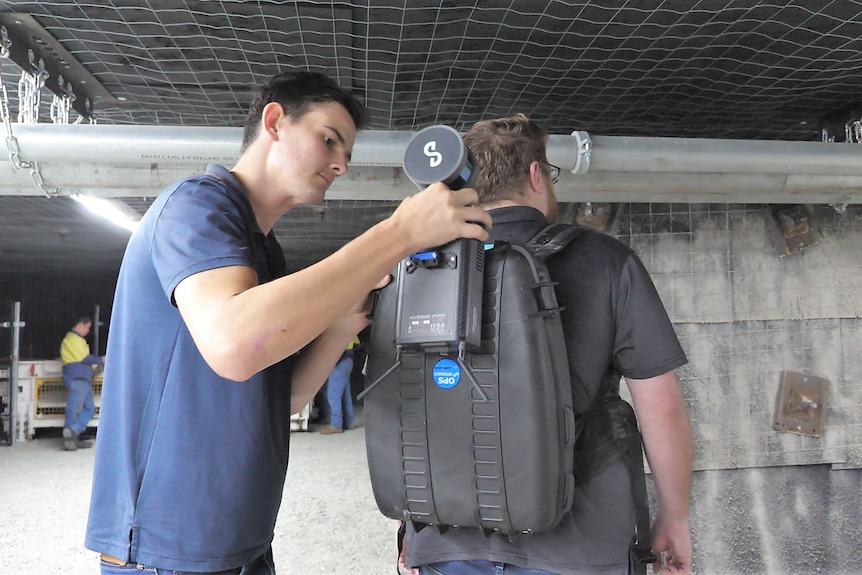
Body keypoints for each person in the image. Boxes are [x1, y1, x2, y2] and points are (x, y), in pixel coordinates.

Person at [84, 70, 491, 575]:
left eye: (346, 153)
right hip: (168, 546)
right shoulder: (197, 206)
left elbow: (283, 395)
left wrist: (343, 322)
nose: (340, 164)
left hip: (240, 538)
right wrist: (399, 233)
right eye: (328, 140)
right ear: (274, 120)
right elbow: (234, 345)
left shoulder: (262, 250)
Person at [399, 114, 694, 575]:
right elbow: (663, 409)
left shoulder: (420, 265)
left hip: (446, 539)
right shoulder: (608, 261)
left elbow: (405, 404)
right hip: (578, 547)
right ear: (537, 175)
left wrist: (409, 530)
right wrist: (674, 517)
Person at [59, 316, 104, 451]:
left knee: (89, 409)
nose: (88, 331)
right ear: (80, 326)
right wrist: (101, 359)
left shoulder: (76, 340)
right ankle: (71, 434)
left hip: (83, 380)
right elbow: (84, 358)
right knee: (75, 410)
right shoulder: (73, 339)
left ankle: (74, 433)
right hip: (78, 379)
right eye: (87, 327)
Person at [320, 334, 361, 434]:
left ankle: (336, 425)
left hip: (339, 362)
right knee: (345, 394)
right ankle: (349, 422)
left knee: (333, 394)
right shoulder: (350, 328)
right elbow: (357, 343)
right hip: (348, 361)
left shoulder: (337, 330)